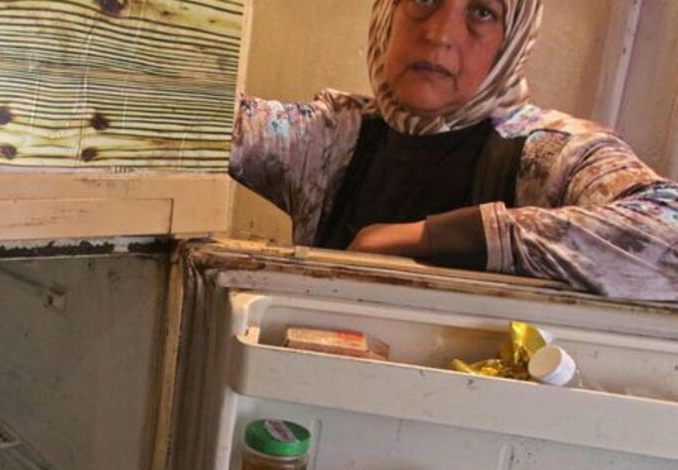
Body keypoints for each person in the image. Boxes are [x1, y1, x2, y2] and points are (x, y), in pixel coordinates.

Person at [230, 0, 678, 300]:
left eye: (482, 12)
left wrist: (431, 237)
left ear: (513, 41)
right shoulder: (332, 138)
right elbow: (196, 118)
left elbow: (669, 235)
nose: (441, 34)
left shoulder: (548, 153)